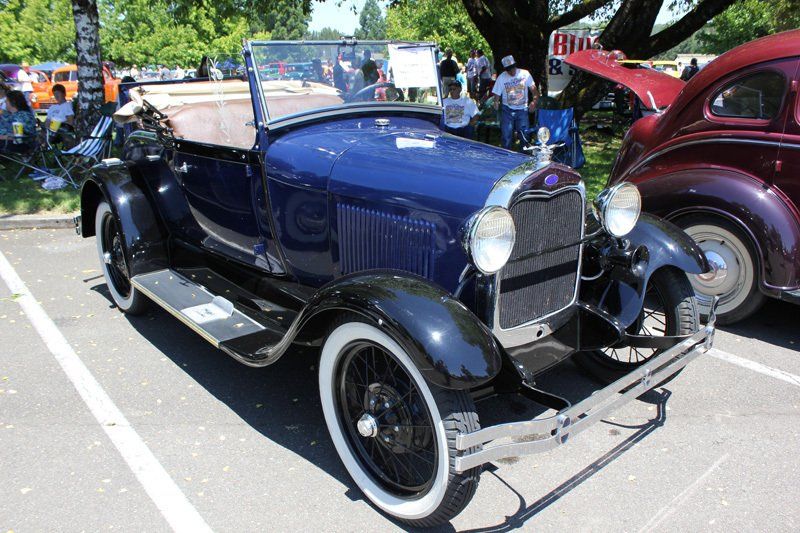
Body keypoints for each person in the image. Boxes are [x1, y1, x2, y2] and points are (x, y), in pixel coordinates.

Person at [492, 55, 539, 150]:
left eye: (513, 68)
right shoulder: (502, 77)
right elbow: (496, 93)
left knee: (524, 135)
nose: (512, 71)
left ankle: (524, 158)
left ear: (515, 65)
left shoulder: (525, 74)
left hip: (522, 109)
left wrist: (534, 101)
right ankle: (506, 156)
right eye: (509, 69)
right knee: (506, 136)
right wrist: (496, 102)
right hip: (507, 109)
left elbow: (534, 91)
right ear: (505, 69)